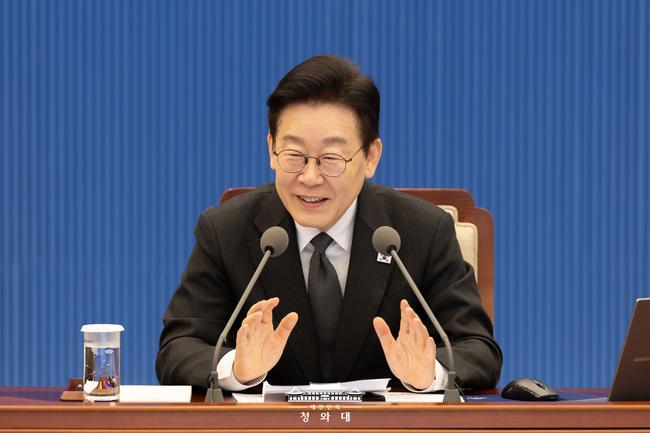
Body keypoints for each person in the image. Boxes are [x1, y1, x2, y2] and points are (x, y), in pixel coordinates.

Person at [156, 54, 502, 392]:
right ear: (271, 149)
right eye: (294, 155)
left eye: (331, 158)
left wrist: (429, 373)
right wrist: (236, 368)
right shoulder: (226, 230)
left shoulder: (422, 231)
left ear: (371, 157)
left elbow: (477, 348)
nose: (309, 177)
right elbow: (178, 348)